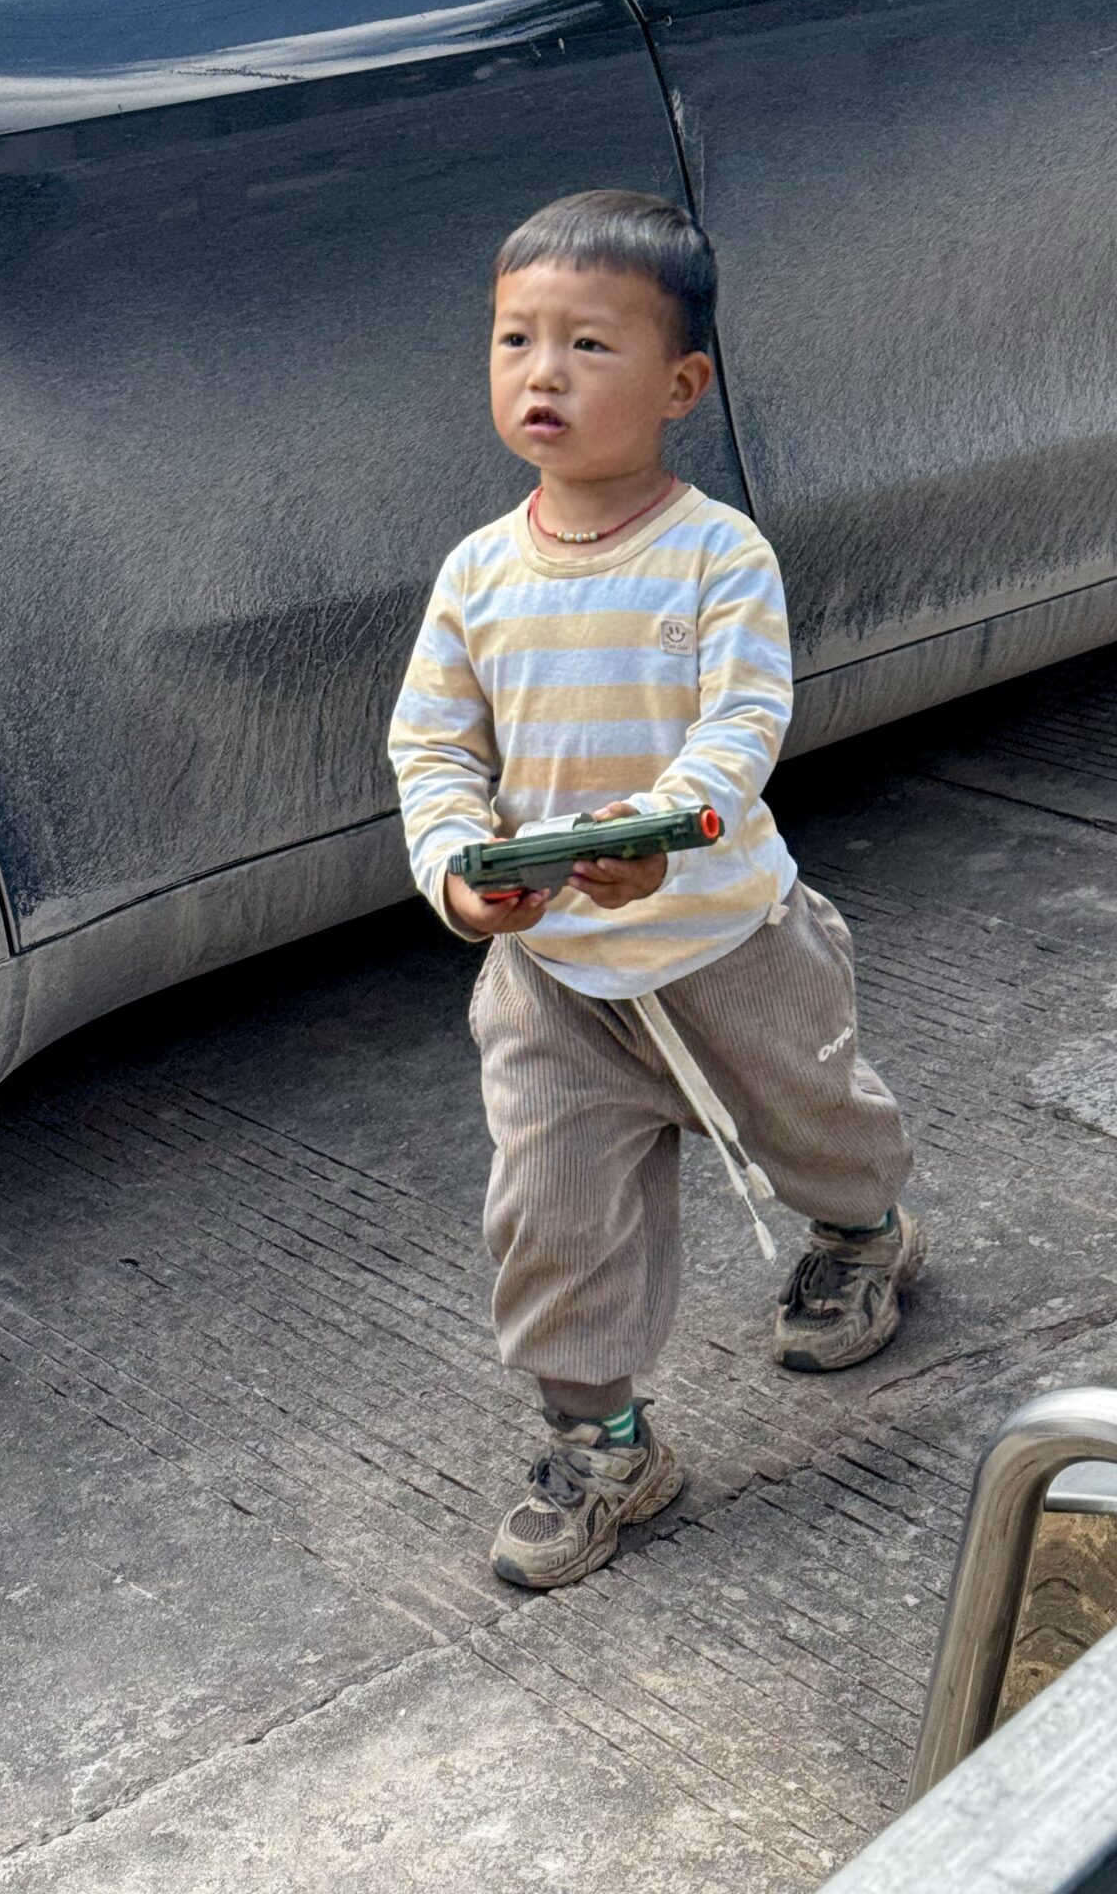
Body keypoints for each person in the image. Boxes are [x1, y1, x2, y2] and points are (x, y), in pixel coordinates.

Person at [388, 189, 921, 1591]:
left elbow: (740, 726)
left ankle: (862, 1232)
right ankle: (603, 1441)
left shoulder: (717, 554)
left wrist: (666, 831)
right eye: (516, 339)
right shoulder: (476, 574)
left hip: (729, 939)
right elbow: (433, 748)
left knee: (817, 1124)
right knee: (550, 1216)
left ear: (682, 385)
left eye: (588, 344)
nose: (543, 373)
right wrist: (457, 873)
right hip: (553, 977)